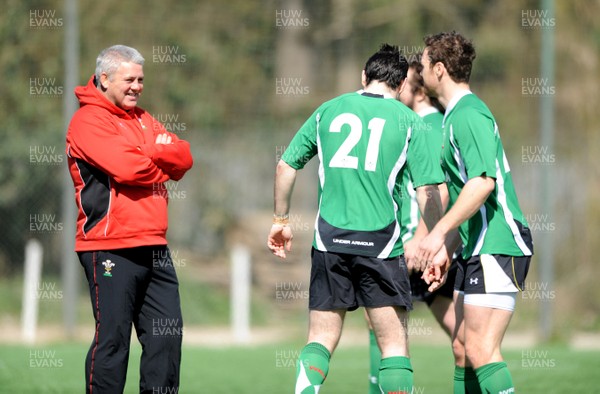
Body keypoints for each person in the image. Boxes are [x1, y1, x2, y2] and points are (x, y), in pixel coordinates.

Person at [267, 44, 446, 394]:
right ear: (399, 87)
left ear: (363, 77)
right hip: (380, 245)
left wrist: (280, 219)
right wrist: (435, 241)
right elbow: (430, 191)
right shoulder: (409, 120)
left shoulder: (328, 110)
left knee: (320, 338)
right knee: (393, 345)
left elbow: (285, 166)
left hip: (329, 242)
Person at [65, 45, 193, 394]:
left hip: (154, 246)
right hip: (110, 248)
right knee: (114, 341)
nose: (137, 86)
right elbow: (128, 168)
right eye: (129, 79)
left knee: (167, 337)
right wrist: (157, 156)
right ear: (104, 79)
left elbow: (183, 156)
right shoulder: (87, 121)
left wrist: (153, 152)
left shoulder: (143, 118)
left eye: (141, 80)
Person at [416, 32, 534, 393]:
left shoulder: (468, 114)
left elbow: (483, 184)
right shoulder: (454, 116)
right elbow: (465, 203)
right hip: (476, 248)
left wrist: (436, 234)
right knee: (463, 347)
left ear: (439, 69)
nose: (418, 73)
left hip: (497, 244)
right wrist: (446, 250)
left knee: (481, 349)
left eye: (422, 65)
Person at [365, 60, 462, 393]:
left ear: (417, 89)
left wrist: (423, 240)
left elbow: (441, 191)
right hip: (411, 243)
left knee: (468, 342)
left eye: (401, 83)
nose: (394, 88)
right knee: (382, 326)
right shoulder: (406, 122)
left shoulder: (429, 125)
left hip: (420, 246)